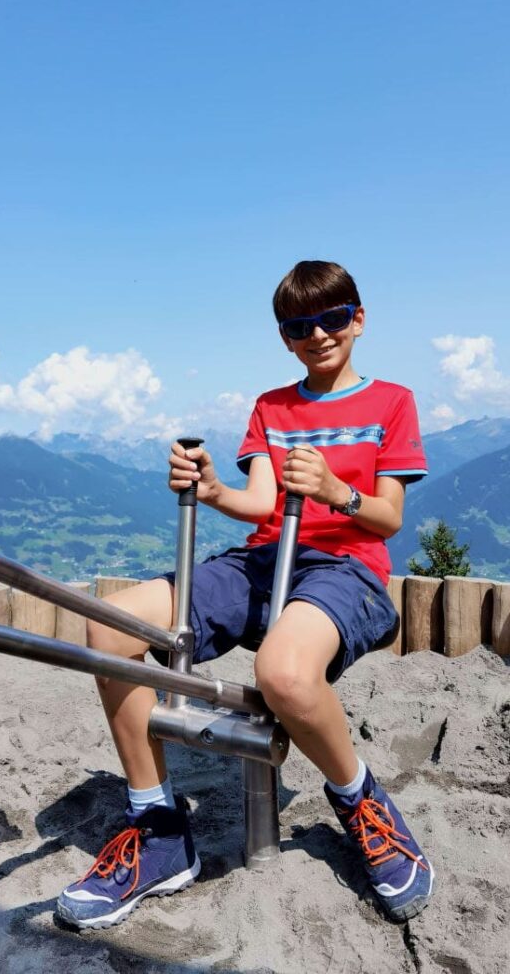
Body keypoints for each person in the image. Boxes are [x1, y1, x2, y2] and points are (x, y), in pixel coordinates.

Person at [57, 260, 434, 930]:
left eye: (332, 318)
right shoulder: (271, 406)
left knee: (283, 675)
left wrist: (334, 491)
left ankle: (360, 800)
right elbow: (257, 500)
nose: (317, 334)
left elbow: (387, 517)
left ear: (358, 318)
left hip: (346, 569)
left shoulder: (391, 403)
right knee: (110, 627)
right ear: (284, 336)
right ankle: (158, 828)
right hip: (262, 559)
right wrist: (210, 490)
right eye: (297, 326)